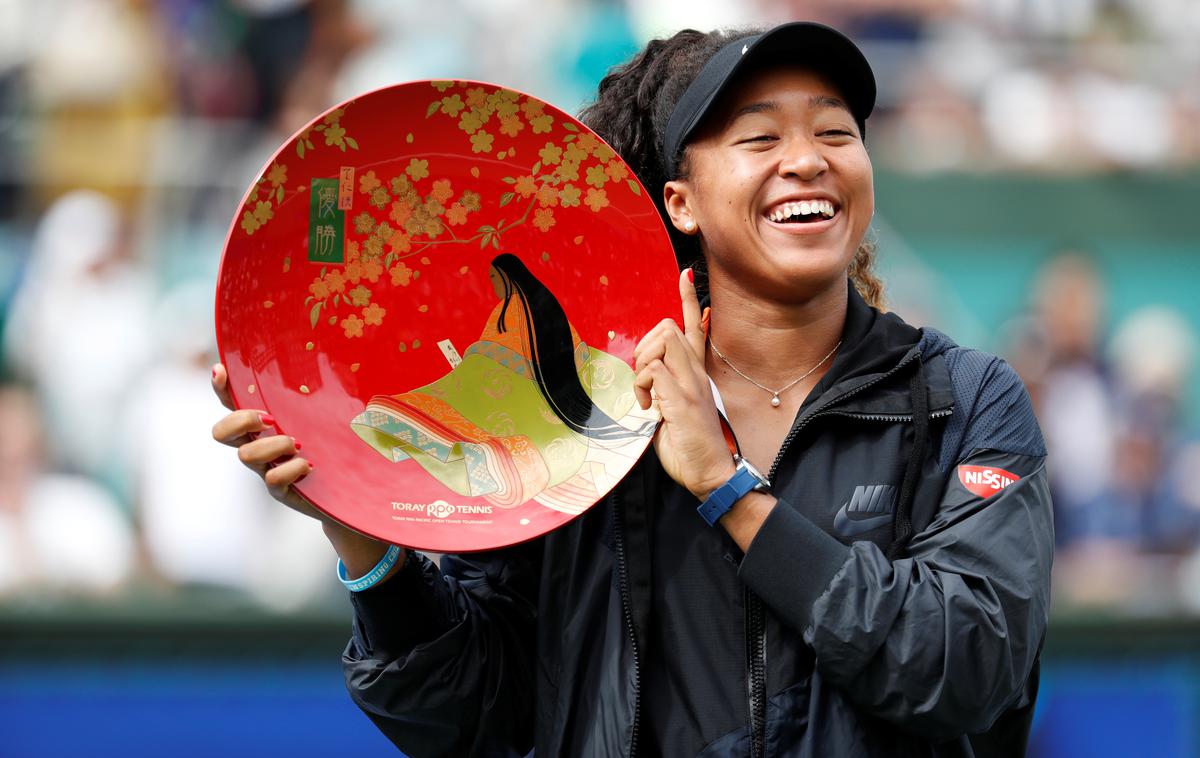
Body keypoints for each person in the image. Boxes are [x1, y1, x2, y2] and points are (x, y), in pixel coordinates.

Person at [211, 21, 1053, 757]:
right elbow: (469, 717)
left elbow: (970, 670)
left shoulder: (960, 399)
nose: (807, 159)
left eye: (836, 132)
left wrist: (727, 491)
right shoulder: (575, 421)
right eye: (759, 141)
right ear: (680, 203)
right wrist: (365, 542)